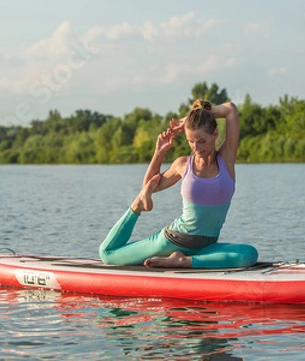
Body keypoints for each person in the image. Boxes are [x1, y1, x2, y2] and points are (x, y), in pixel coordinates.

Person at [99, 99, 258, 269]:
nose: (196, 148)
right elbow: (149, 186)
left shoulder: (226, 159)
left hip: (206, 246)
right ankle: (136, 207)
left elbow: (230, 110)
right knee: (108, 254)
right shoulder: (183, 165)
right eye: (191, 141)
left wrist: (195, 116)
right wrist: (159, 152)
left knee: (248, 254)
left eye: (202, 141)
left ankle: (184, 261)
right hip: (174, 240)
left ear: (215, 134)